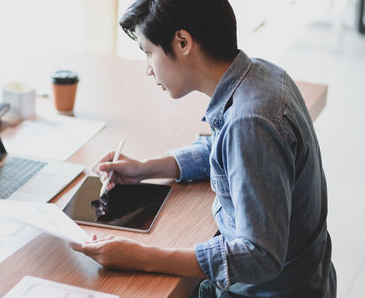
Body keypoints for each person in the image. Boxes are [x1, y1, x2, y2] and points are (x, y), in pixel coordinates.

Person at [71, 0, 336, 297]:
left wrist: (142, 256)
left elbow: (260, 256)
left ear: (183, 42)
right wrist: (146, 168)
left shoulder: (250, 121)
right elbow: (225, 148)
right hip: (305, 277)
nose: (148, 69)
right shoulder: (261, 76)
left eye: (149, 53)